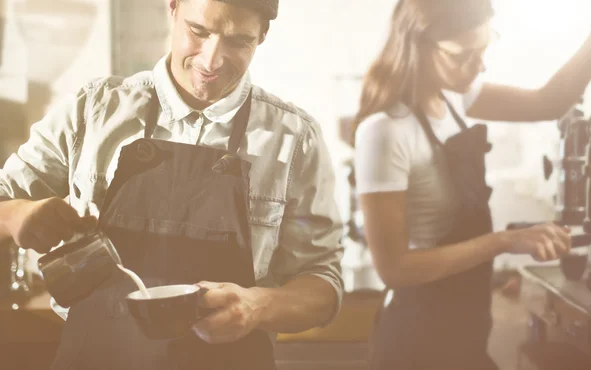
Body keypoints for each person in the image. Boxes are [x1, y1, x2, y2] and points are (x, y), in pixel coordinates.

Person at [0, 0, 344, 369]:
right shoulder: (94, 109)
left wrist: (259, 306)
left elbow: (322, 281)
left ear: (263, 35)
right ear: (173, 8)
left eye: (238, 41)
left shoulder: (294, 138)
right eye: (198, 32)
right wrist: (16, 214)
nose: (211, 61)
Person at [353, 0, 591, 369]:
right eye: (465, 55)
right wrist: (504, 241)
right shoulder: (385, 131)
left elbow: (549, 102)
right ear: (419, 45)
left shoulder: (456, 96)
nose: (480, 65)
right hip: (416, 339)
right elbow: (394, 269)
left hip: (465, 330)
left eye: (484, 49)